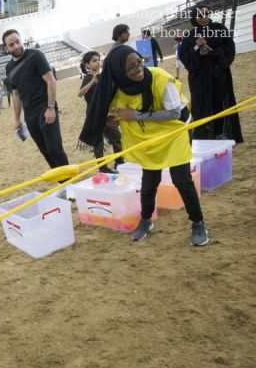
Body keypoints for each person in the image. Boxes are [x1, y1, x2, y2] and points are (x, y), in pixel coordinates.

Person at [79, 45, 208, 247]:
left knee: (182, 179)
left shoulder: (159, 77)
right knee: (149, 181)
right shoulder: (118, 90)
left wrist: (134, 115)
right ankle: (146, 220)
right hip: (148, 137)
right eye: (130, 68)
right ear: (120, 73)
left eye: (139, 62)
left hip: (174, 131)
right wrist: (113, 119)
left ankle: (198, 223)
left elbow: (174, 113)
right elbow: (114, 114)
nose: (138, 69)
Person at [3, 29, 69, 169]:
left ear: (22, 40)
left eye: (17, 41)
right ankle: (62, 184)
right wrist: (17, 119)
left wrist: (51, 107)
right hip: (29, 114)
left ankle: (70, 183)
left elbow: (51, 81)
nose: (16, 46)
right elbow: (16, 95)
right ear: (6, 48)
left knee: (55, 149)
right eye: (11, 44)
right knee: (45, 152)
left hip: (45, 107)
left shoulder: (35, 55)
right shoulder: (9, 68)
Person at [179, 4, 243, 143]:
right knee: (202, 105)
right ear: (195, 17)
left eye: (207, 14)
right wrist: (197, 46)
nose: (204, 17)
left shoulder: (220, 29)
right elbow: (185, 57)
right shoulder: (190, 36)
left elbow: (229, 47)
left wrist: (215, 53)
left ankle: (221, 132)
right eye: (200, 15)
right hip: (200, 79)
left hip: (219, 74)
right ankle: (205, 136)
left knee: (220, 103)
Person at [77, 51, 123, 173]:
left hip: (106, 114)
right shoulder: (87, 77)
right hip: (94, 115)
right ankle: (103, 168)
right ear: (87, 65)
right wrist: (92, 81)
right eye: (94, 61)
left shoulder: (103, 76)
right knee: (98, 143)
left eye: (98, 60)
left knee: (117, 138)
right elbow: (80, 94)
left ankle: (119, 162)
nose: (98, 62)